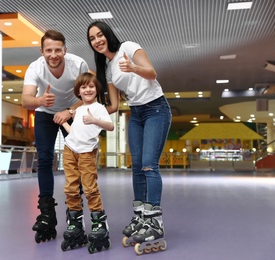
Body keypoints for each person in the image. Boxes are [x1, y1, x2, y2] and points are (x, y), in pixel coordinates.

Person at [87, 21, 171, 254]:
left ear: (108, 35)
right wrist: (87, 112)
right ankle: (140, 217)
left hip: (155, 108)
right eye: (92, 38)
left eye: (100, 35)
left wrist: (133, 67)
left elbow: (152, 73)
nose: (97, 40)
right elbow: (113, 105)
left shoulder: (129, 47)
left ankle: (155, 220)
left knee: (148, 165)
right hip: (135, 113)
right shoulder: (108, 68)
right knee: (135, 167)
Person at [22, 30, 89, 243]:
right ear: (41, 51)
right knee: (44, 159)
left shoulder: (78, 64)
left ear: (65, 50)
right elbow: (26, 100)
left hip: (71, 112)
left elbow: (89, 95)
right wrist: (41, 101)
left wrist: (69, 110)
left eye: (58, 50)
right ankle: (47, 213)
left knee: (77, 160)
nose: (53, 55)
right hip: (45, 113)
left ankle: (75, 213)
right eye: (48, 50)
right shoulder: (35, 68)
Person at [60, 72, 113, 254]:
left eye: (91, 86)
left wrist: (94, 120)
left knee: (90, 188)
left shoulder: (99, 108)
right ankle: (75, 222)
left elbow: (110, 126)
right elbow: (74, 132)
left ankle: (99, 222)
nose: (88, 89)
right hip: (70, 149)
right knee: (70, 187)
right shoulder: (78, 109)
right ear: (78, 92)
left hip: (87, 152)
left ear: (96, 89)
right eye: (83, 87)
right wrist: (64, 124)